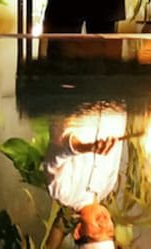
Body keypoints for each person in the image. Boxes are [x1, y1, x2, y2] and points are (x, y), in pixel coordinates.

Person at [42, 101, 125, 249]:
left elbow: (56, 150)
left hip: (76, 100)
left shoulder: (63, 193)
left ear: (78, 232)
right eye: (109, 232)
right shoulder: (107, 186)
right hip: (113, 101)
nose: (104, 223)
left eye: (98, 231)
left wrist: (85, 147)